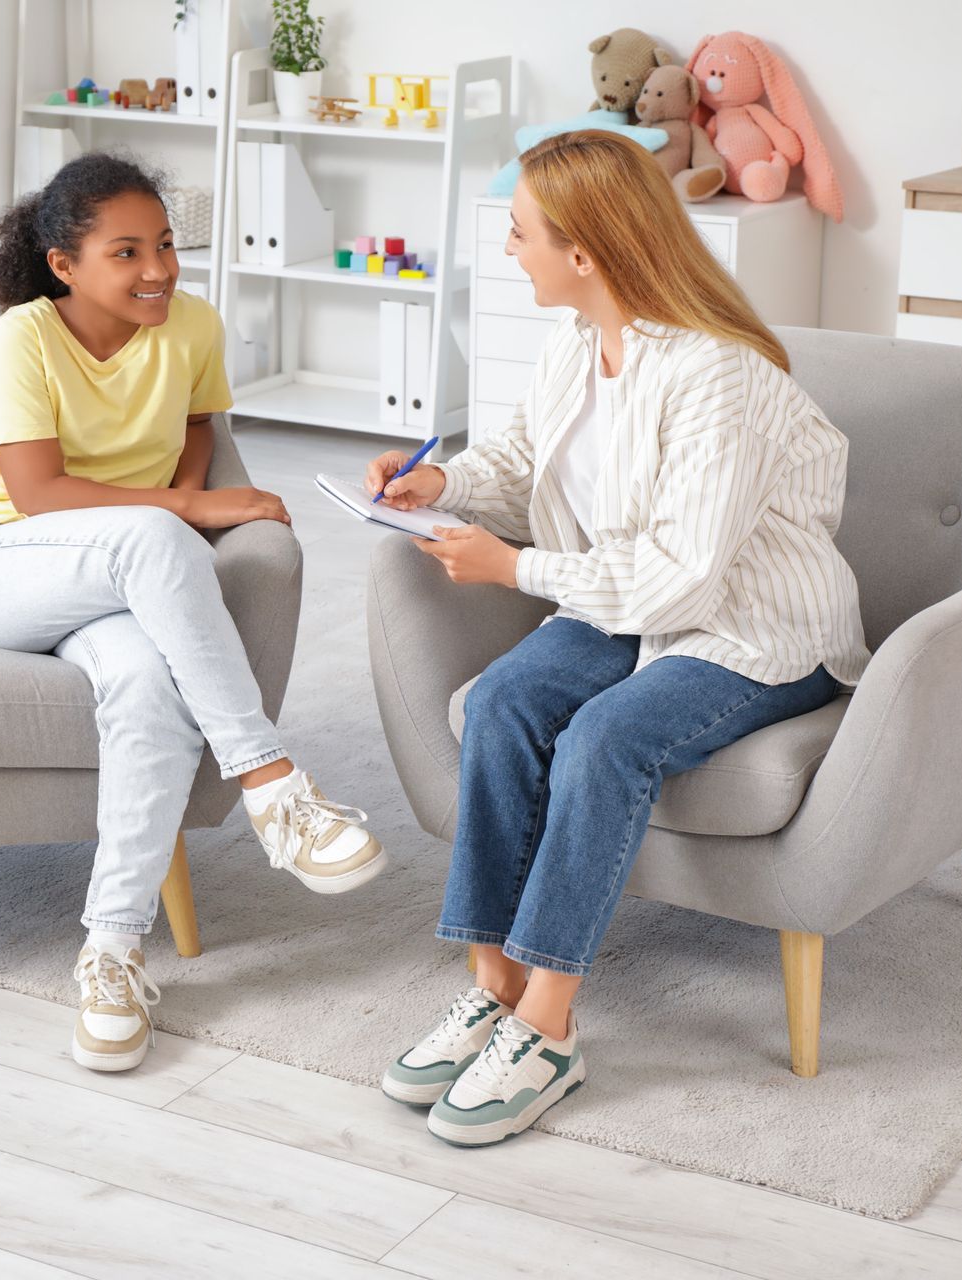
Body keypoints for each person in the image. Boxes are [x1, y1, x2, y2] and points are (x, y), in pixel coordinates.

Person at [366, 131, 872, 1146]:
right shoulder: (578, 345)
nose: (511, 247)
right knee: (505, 701)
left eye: (522, 232)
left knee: (603, 736)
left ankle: (549, 1024)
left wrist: (513, 569)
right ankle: (495, 983)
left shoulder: (714, 376)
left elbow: (683, 575)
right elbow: (520, 461)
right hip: (626, 600)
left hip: (751, 624)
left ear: (584, 253)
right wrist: (444, 482)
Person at [0, 152, 387, 1075]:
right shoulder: (23, 337)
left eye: (169, 245)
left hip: (120, 578)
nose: (159, 269)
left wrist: (180, 495)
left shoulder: (191, 328)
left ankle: (110, 953)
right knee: (154, 535)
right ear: (65, 264)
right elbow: (32, 490)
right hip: (7, 570)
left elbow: (194, 428)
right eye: (127, 251)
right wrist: (190, 509)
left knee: (148, 689)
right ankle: (272, 784)